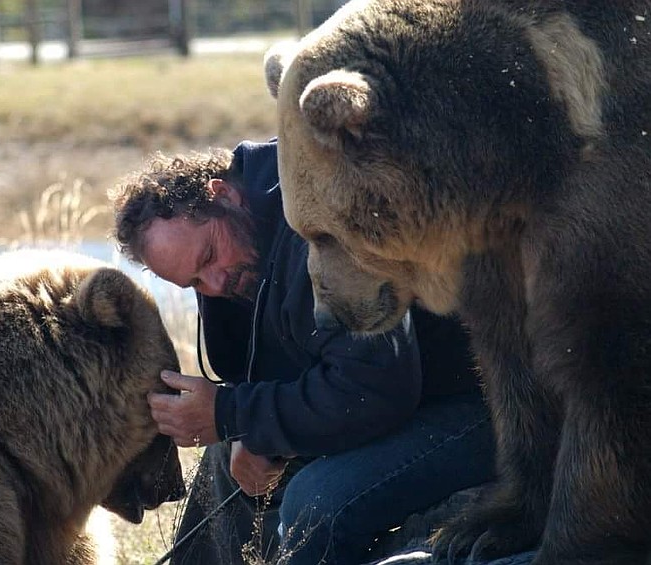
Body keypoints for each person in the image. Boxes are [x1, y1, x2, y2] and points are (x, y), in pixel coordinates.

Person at [109, 139, 495, 565]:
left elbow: (378, 386)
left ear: (223, 195)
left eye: (210, 256)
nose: (216, 284)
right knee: (225, 460)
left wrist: (232, 414)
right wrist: (248, 430)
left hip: (483, 406)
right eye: (195, 283)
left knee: (314, 503)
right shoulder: (243, 249)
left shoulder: (320, 219)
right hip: (402, 408)